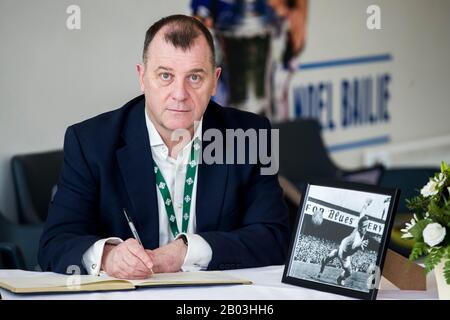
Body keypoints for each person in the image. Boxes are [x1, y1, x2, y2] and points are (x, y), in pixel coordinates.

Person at [38, 14, 290, 279]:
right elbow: (54, 243)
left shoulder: (251, 135)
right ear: (142, 77)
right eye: (165, 76)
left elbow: (273, 239)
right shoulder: (90, 143)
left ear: (215, 81)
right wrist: (108, 257)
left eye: (194, 78)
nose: (180, 94)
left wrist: (186, 253)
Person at [317, 200, 372, 286]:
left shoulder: (359, 226)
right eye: (365, 227)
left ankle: (325, 268)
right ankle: (339, 279)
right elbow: (354, 246)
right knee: (349, 272)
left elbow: (362, 214)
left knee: (327, 259)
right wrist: (359, 245)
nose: (366, 228)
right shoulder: (357, 238)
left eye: (367, 226)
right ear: (360, 228)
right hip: (344, 255)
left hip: (341, 248)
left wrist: (366, 204)